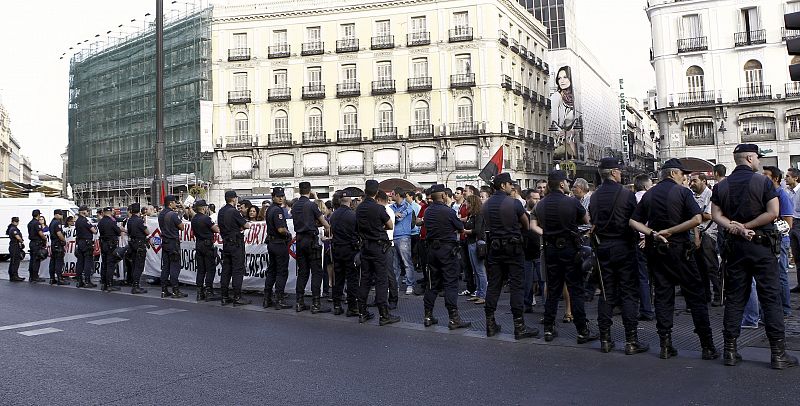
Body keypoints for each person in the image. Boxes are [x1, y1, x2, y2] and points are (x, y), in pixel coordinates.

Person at [711, 144, 799, 369]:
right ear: (750, 158)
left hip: (735, 247)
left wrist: (736, 228)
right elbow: (773, 213)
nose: (759, 161)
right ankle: (778, 354)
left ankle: (730, 351)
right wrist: (747, 227)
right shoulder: (763, 182)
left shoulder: (722, 185)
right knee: (770, 297)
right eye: (757, 158)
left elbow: (715, 215)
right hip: (761, 246)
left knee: (735, 297)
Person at [630, 158, 717, 361]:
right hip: (680, 250)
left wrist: (653, 233)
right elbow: (697, 219)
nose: (684, 177)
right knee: (695, 295)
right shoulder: (683, 192)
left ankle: (665, 345)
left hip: (657, 250)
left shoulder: (650, 194)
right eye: (682, 174)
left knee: (663, 294)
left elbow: (633, 221)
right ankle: (707, 346)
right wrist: (671, 231)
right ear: (672, 173)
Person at [589, 158, 649, 355]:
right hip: (624, 247)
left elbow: (593, 220)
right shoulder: (626, 194)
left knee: (606, 293)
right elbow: (635, 220)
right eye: (620, 171)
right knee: (628, 292)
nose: (621, 174)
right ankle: (631, 340)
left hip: (603, 248)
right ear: (614, 172)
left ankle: (605, 339)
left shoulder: (594, 196)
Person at [532, 170, 594, 343]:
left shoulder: (541, 205)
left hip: (551, 249)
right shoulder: (572, 202)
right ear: (561, 184)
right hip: (570, 249)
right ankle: (582, 331)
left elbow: (534, 224)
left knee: (553, 290)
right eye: (566, 182)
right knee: (576, 290)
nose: (568, 184)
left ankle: (548, 329)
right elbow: (586, 221)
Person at [484, 172, 539, 340]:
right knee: (517, 286)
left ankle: (490, 324)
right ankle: (519, 326)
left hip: (494, 248)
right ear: (503, 186)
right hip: (513, 249)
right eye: (510, 184)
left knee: (494, 285)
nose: (512, 187)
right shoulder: (513, 203)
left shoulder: (486, 204)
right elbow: (526, 224)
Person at [422, 184, 471, 330]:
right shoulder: (448, 211)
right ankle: (453, 318)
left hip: (432, 250)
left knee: (432, 283)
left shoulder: (428, 211)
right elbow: (460, 227)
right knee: (450, 283)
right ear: (443, 195)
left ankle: (428, 316)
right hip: (447, 250)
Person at [355, 180, 400, 325]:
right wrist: (378, 227)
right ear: (376, 192)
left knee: (365, 279)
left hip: (365, 246)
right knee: (381, 280)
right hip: (378, 246)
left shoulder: (359, 209)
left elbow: (357, 226)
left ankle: (362, 312)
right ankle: (384, 315)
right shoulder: (379, 208)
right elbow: (390, 225)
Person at [291, 181, 331, 313]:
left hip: (299, 240)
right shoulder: (311, 205)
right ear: (310, 190)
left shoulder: (295, 206)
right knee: (316, 272)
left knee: (302, 272)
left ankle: (299, 302)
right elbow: (325, 224)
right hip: (311, 240)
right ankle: (316, 303)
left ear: (299, 190)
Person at [763, 166, 793, 317]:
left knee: (781, 275)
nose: (762, 177)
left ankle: (785, 309)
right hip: (771, 239)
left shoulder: (782, 195)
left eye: (766, 175)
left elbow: (788, 222)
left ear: (775, 178)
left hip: (780, 240)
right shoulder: (769, 194)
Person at [688, 173, 721, 306]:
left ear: (704, 181)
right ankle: (706, 295)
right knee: (699, 267)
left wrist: (695, 214)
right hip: (695, 233)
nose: (692, 184)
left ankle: (718, 294)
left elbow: (708, 215)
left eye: (694, 181)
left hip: (709, 234)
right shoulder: (692, 196)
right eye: (691, 181)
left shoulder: (710, 195)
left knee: (711, 266)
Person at [329, 190, 360, 316]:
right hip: (350, 249)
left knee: (338, 278)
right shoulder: (353, 215)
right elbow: (357, 231)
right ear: (350, 200)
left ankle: (337, 305)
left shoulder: (333, 215)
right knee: (352, 278)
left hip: (337, 249)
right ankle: (352, 307)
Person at [219, 190, 252, 306]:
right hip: (236, 244)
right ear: (234, 199)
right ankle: (237, 296)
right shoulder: (234, 211)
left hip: (226, 243)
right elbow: (246, 225)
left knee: (226, 270)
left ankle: (224, 296)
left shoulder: (221, 211)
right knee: (237, 270)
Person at [264, 187, 293, 310]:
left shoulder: (270, 209)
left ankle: (267, 298)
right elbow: (281, 229)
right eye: (278, 196)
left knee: (272, 270)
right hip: (279, 243)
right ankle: (279, 299)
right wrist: (288, 234)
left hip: (272, 243)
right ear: (273, 197)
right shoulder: (277, 210)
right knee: (281, 272)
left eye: (282, 196)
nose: (281, 198)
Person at [633, 174, 655, 321]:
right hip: (652, 239)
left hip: (639, 240)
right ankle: (653, 306)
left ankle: (646, 308)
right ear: (646, 186)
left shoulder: (632, 198)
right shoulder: (651, 198)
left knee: (642, 276)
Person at [158, 195, 187, 298]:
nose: (176, 203)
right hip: (173, 243)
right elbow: (182, 227)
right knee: (174, 267)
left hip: (165, 242)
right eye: (174, 202)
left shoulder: (161, 214)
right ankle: (175, 290)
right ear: (170, 203)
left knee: (165, 267)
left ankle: (164, 290)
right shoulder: (173, 215)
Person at [191, 200, 219, 301]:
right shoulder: (206, 218)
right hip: (207, 245)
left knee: (201, 270)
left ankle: (199, 292)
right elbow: (216, 230)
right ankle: (209, 291)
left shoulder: (194, 219)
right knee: (210, 269)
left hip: (199, 245)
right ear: (204, 208)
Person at [376, 191, 399, 309]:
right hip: (383, 243)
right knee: (381, 273)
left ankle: (393, 299)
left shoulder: (386, 211)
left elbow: (387, 226)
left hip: (387, 244)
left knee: (389, 273)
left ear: (378, 200)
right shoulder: (385, 210)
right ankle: (381, 298)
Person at [391, 188, 416, 295]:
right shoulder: (392, 207)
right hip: (393, 237)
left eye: (392, 194)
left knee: (406, 262)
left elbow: (399, 218)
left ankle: (410, 284)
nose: (391, 195)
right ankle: (395, 285)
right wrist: (394, 214)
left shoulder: (407, 206)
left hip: (404, 236)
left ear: (397, 195)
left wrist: (393, 215)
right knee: (394, 264)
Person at [463, 194, 487, 305]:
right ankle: (478, 292)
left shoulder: (478, 214)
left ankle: (483, 294)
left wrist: (464, 231)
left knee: (480, 270)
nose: (466, 204)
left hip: (476, 243)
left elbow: (477, 230)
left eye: (467, 202)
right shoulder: (471, 215)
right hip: (471, 243)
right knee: (476, 270)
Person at [126, 203, 149, 294]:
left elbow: (129, 232)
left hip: (132, 244)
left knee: (134, 265)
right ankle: (136, 286)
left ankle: (134, 284)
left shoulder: (129, 220)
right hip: (139, 244)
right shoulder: (139, 221)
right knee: (139, 266)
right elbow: (147, 232)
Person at [98, 207, 123, 292]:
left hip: (103, 244)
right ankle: (109, 284)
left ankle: (104, 284)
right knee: (110, 265)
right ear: (110, 212)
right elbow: (118, 232)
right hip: (110, 245)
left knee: (105, 264)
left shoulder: (101, 221)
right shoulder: (111, 222)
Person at [786, 167, 800, 292]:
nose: (785, 178)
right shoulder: (788, 192)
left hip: (799, 222)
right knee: (797, 256)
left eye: (788, 176)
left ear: (795, 178)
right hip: (792, 223)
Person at [48, 210, 69, 286]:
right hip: (57, 244)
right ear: (56, 215)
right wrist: (64, 240)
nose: (62, 216)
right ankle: (60, 279)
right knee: (59, 262)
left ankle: (52, 278)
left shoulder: (52, 222)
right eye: (60, 215)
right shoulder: (57, 223)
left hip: (53, 244)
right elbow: (59, 234)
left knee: (53, 261)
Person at [27, 209, 46, 283]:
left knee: (32, 260)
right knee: (36, 260)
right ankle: (35, 277)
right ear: (38, 215)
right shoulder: (37, 223)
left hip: (32, 243)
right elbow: (40, 233)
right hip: (37, 243)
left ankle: (31, 276)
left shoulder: (30, 223)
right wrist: (45, 239)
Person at [6, 217, 25, 282]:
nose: (17, 222)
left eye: (17, 221)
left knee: (14, 261)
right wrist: (21, 241)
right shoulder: (13, 229)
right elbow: (18, 237)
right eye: (15, 221)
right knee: (15, 262)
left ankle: (14, 275)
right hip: (14, 247)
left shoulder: (13, 228)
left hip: (14, 246)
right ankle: (14, 276)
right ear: (12, 222)